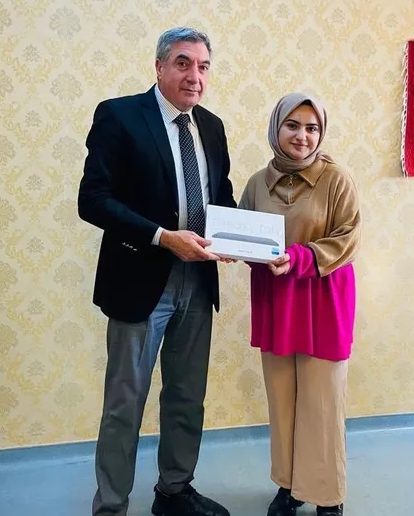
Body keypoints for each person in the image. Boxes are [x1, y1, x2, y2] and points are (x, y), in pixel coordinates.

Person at [78, 27, 236, 516]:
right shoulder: (120, 116)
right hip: (141, 281)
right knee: (125, 402)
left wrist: (248, 241)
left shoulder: (212, 126)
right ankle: (111, 506)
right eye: (183, 63)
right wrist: (163, 237)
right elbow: (93, 200)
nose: (194, 76)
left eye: (203, 67)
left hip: (198, 282)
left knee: (187, 396)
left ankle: (174, 491)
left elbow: (221, 198)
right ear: (160, 66)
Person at [238, 93, 361, 516]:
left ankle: (327, 493)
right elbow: (245, 234)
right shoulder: (258, 182)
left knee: (323, 402)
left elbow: (348, 238)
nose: (302, 136)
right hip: (276, 302)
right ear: (276, 128)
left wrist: (299, 257)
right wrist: (231, 247)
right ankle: (289, 486)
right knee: (283, 399)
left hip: (323, 302)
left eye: (312, 128)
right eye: (292, 125)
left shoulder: (336, 179)